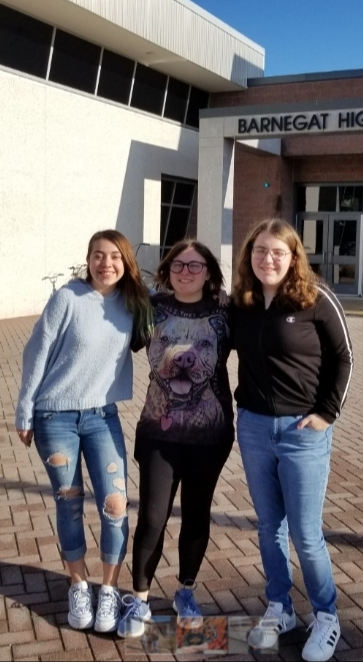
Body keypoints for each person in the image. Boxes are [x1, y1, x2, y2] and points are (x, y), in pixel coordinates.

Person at [15, 229, 152, 633]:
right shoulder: (67, 298)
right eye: (97, 255)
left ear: (126, 262)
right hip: (54, 417)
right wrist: (24, 411)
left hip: (101, 417)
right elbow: (35, 352)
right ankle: (78, 584)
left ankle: (107, 590)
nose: (104, 263)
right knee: (69, 502)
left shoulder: (134, 303)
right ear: (87, 260)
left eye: (113, 256)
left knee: (115, 504)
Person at [229, 219, 353, 662]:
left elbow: (344, 357)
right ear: (250, 255)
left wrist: (326, 413)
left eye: (278, 252)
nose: (268, 259)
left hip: (303, 432)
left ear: (294, 256)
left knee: (305, 533)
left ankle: (326, 615)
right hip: (256, 428)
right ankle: (280, 607)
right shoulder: (240, 303)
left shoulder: (317, 299)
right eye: (260, 251)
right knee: (269, 527)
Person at [117, 240, 234, 638]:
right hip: (158, 433)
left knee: (197, 515)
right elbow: (112, 338)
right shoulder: (150, 307)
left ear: (210, 272)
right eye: (179, 265)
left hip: (210, 435)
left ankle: (186, 590)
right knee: (152, 517)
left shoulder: (225, 312)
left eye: (196, 265)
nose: (187, 271)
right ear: (167, 270)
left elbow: (264, 348)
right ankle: (140, 598)